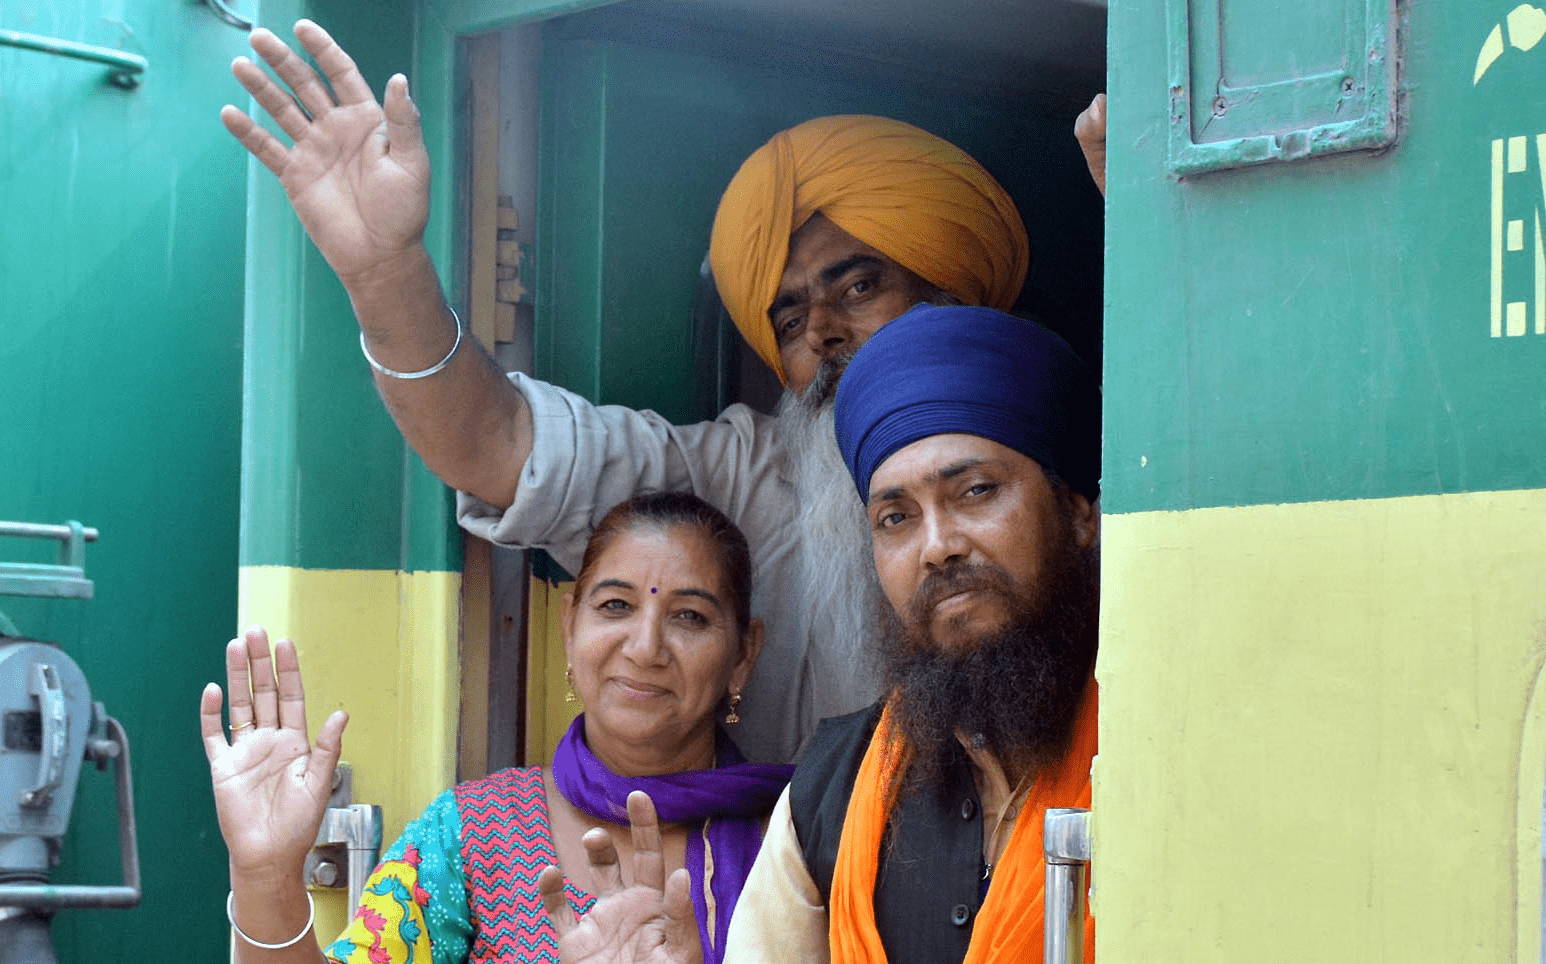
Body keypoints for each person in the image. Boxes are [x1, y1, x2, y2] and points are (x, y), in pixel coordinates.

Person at [221, 21, 1053, 762]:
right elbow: (497, 447)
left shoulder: (1062, 468)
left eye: (861, 286)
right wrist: (383, 271)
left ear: (954, 294)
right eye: (789, 318)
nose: (824, 334)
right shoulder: (743, 474)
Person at [540, 305, 1104, 964]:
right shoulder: (833, 788)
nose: (937, 545)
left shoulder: (1169, 754)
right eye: (895, 516)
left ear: (1077, 512)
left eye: (975, 493)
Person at [203, 492, 794, 964]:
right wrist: (263, 879)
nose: (646, 645)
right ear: (568, 620)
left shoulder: (797, 842)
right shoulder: (481, 833)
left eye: (690, 616)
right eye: (615, 606)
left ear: (744, 652)